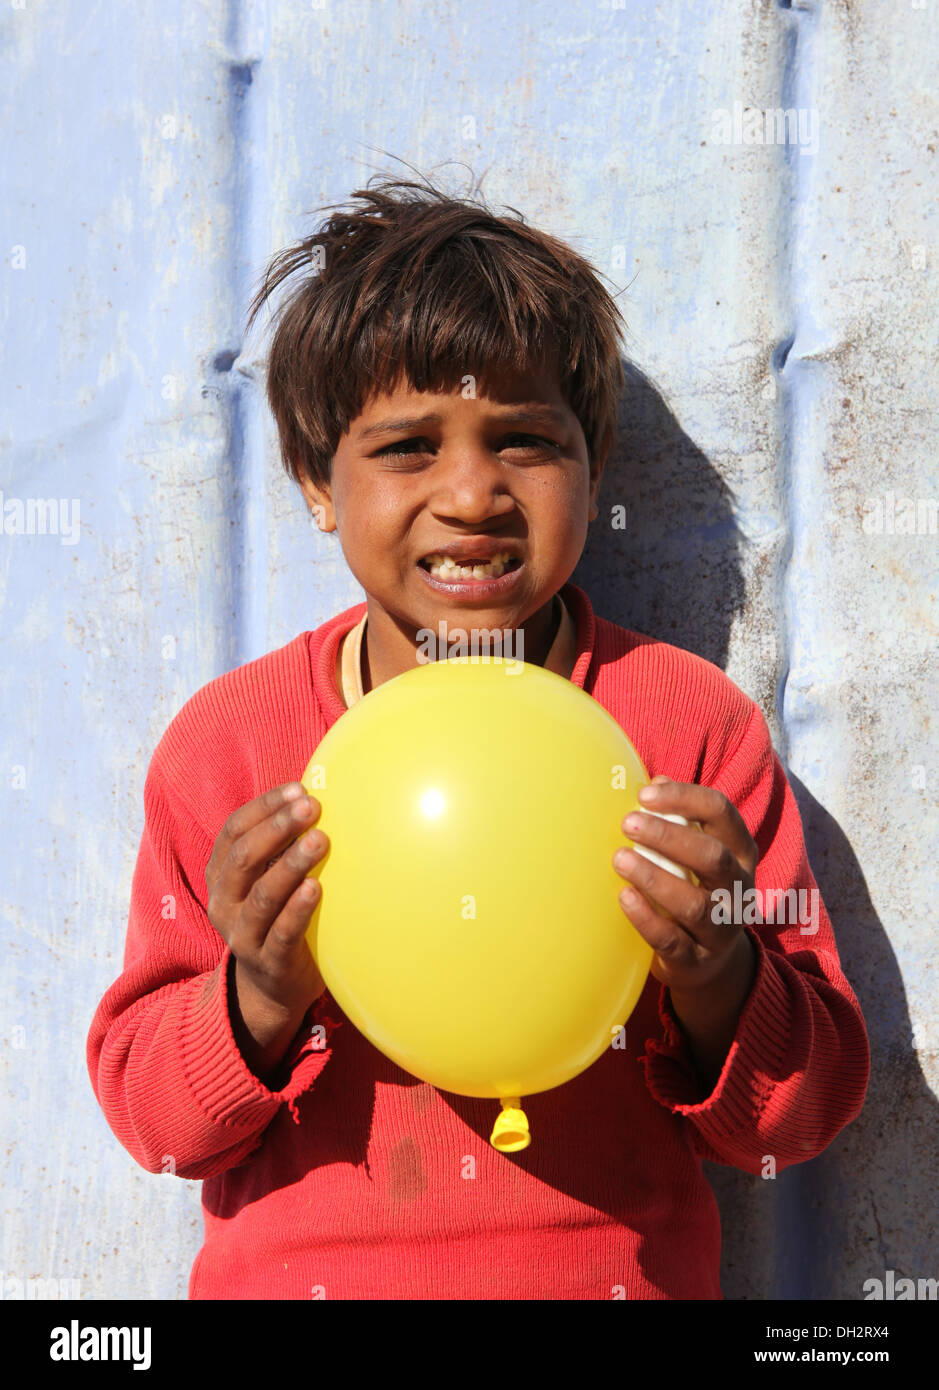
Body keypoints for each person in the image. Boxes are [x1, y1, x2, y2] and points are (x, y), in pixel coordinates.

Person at [86, 175, 870, 1299]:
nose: (471, 493)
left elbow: (791, 1126)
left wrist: (717, 973)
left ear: (593, 466)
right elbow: (156, 1124)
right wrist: (257, 992)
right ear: (317, 481)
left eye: (524, 442)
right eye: (408, 447)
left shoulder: (683, 733)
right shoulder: (233, 751)